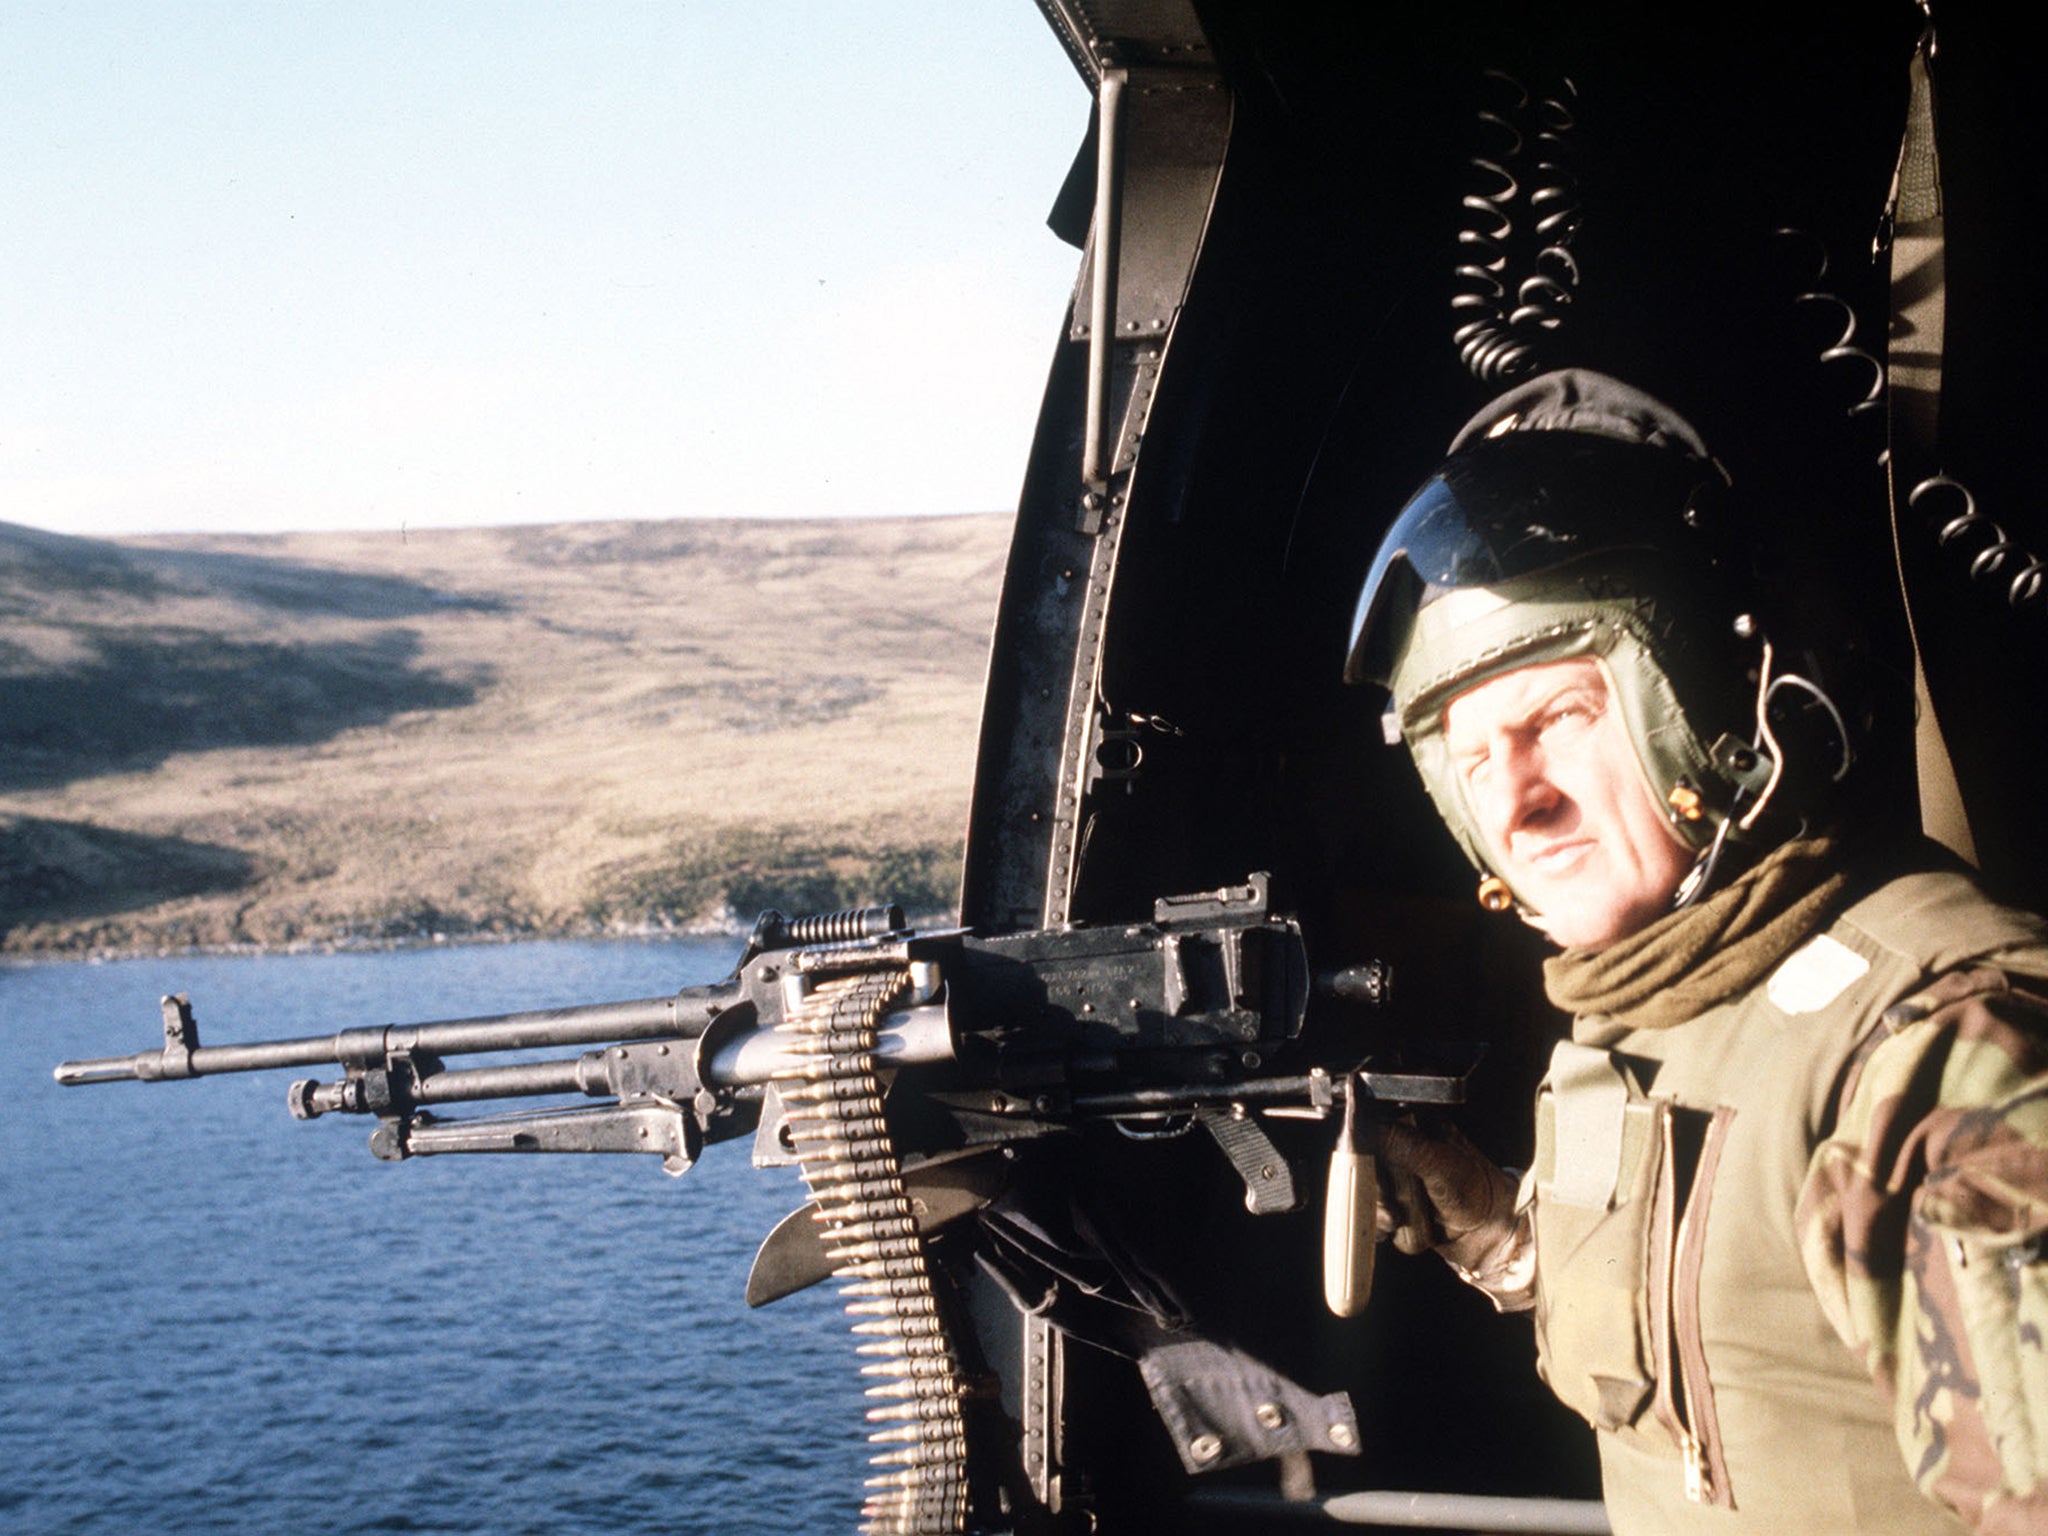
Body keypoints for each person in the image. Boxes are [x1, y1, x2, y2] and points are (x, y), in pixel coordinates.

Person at [1345, 368, 2048, 1533]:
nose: (1516, 802)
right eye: (1470, 759)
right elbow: (1726, 1325)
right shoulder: (1649, 1014)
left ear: (1710, 700)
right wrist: (1497, 1233)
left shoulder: (1929, 1063)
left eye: (1558, 718)